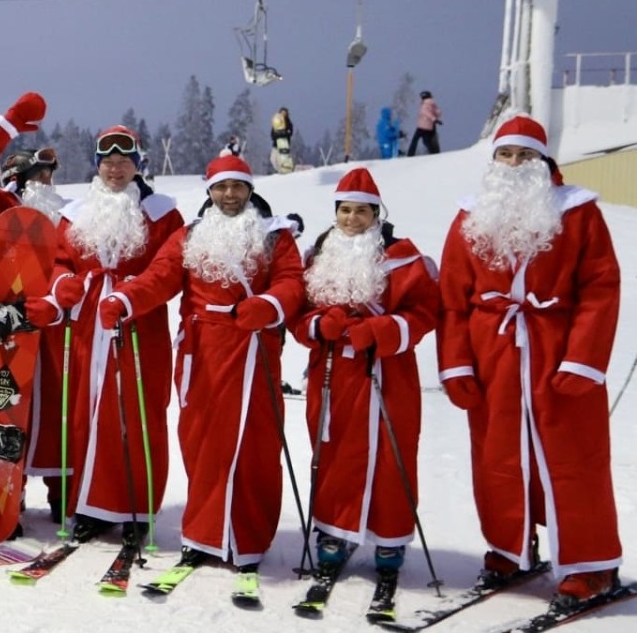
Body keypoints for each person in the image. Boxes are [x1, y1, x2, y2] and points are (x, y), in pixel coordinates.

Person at [438, 115, 621, 608]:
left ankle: (591, 563)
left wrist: (583, 360)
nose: (515, 164)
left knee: (572, 457)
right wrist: (456, 365)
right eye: (506, 155)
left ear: (543, 162)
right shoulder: (471, 216)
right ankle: (508, 548)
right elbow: (453, 299)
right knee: (497, 455)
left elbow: (600, 288)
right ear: (493, 160)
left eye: (525, 156)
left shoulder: (576, 211)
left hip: (556, 348)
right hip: (491, 351)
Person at [106, 154, 305, 587]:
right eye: (220, 188)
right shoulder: (189, 236)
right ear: (209, 192)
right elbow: (159, 278)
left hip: (253, 350)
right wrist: (125, 299)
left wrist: (269, 305)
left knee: (253, 444)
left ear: (250, 190)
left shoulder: (275, 236)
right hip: (201, 354)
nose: (229, 196)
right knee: (201, 444)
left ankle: (246, 539)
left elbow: (292, 282)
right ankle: (202, 536)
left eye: (237, 187)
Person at [290, 168, 438, 586]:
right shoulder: (317, 256)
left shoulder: (404, 258)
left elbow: (426, 312)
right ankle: (334, 531)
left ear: (376, 213)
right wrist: (321, 326)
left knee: (392, 452)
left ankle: (389, 537)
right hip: (334, 373)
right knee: (333, 449)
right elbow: (299, 315)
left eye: (361, 212)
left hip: (387, 372)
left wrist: (384, 330)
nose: (352, 219)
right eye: (345, 211)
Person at [45, 125, 182, 534]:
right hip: (88, 322)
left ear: (137, 165)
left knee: (136, 414)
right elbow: (60, 260)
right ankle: (91, 506)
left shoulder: (161, 212)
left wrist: (132, 296)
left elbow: (170, 269)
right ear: (98, 165)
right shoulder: (76, 213)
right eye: (108, 162)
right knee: (87, 411)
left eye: (125, 162)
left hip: (138, 321)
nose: (116, 170)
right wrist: (62, 283)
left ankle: (137, 509)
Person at [0, 94, 70, 510]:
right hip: (7, 331)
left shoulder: (65, 217)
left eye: (49, 178)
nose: (46, 186)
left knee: (57, 412)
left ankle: (64, 493)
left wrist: (66, 288)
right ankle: (6, 491)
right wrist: (9, 122)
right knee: (5, 407)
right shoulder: (1, 207)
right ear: (19, 180)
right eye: (38, 177)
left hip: (56, 329)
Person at [406, 91, 441, 156]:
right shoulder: (433, 103)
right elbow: (438, 112)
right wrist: (436, 119)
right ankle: (434, 153)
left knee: (415, 139)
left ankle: (410, 154)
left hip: (422, 125)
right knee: (427, 141)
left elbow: (424, 112)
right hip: (429, 126)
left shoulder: (425, 103)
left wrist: (433, 119)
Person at [269, 108, 294, 174]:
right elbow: (272, 134)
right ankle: (279, 170)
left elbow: (290, 133)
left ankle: (286, 171)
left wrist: (284, 133)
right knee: (273, 159)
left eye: (284, 113)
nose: (283, 114)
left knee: (283, 159)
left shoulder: (289, 123)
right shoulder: (276, 123)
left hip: (284, 144)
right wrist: (275, 135)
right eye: (282, 112)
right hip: (275, 144)